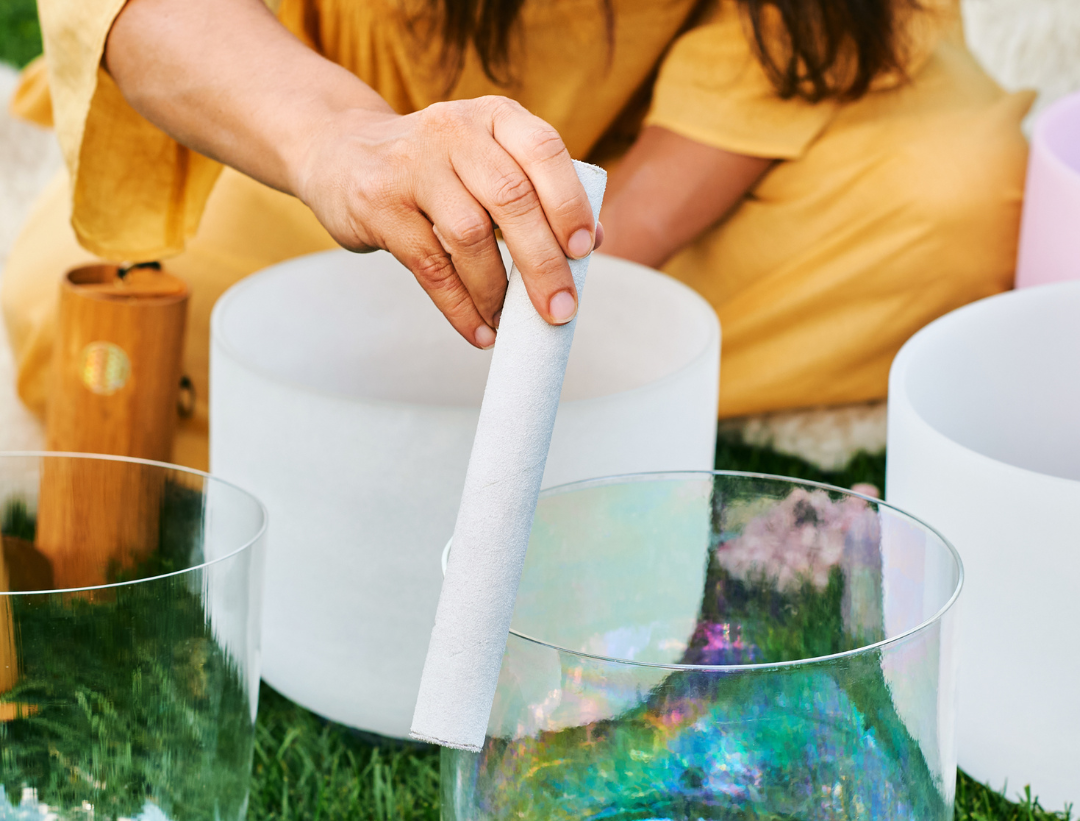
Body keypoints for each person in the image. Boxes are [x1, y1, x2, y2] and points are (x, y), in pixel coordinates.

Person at [2, 0, 1032, 470]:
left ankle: (417, 388)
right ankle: (604, 381)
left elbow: (806, 30)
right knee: (79, 294)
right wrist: (343, 145)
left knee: (956, 206)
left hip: (671, 138)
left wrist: (586, 252)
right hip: (328, 114)